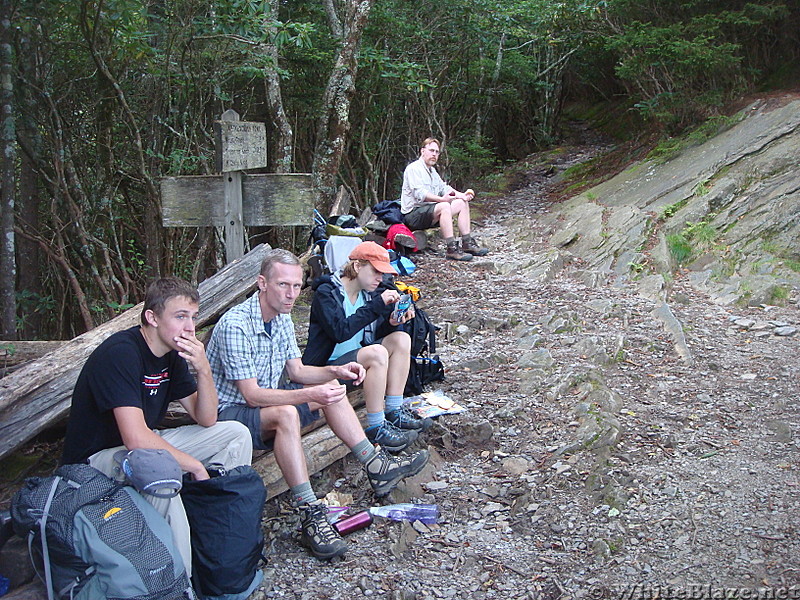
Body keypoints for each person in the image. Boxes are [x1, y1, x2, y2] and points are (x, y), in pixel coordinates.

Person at [206, 248, 429, 560]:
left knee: (330, 388)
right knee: (290, 411)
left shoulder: (281, 318)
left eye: (297, 286)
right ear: (262, 283)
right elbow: (251, 396)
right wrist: (310, 394)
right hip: (230, 417)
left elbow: (297, 371)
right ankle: (310, 512)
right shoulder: (236, 324)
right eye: (283, 285)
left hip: (265, 405)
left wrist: (334, 372)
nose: (291, 294)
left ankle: (375, 463)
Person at [61, 277, 254, 576]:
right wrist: (194, 466)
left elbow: (207, 418)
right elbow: (136, 438)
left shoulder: (172, 355)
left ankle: (214, 526)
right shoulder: (121, 353)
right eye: (180, 317)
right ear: (152, 317)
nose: (190, 327)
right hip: (93, 463)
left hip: (139, 447)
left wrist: (203, 368)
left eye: (193, 317)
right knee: (162, 478)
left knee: (235, 434)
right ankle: (184, 585)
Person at [303, 241, 432, 452]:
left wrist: (391, 323)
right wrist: (376, 306)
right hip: (327, 369)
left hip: (358, 364)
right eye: (376, 272)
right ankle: (376, 426)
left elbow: (368, 335)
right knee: (377, 352)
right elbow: (340, 331)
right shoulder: (326, 293)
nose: (381, 279)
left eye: (383, 273)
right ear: (357, 267)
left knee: (401, 339)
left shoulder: (368, 294)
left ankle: (394, 411)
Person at [400, 137, 489, 261]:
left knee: (462, 203)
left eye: (437, 152)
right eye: (431, 151)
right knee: (445, 206)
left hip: (431, 212)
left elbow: (444, 188)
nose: (434, 155)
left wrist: (461, 195)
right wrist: (442, 200)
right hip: (413, 215)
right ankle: (451, 248)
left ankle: (467, 242)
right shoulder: (414, 169)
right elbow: (420, 194)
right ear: (422, 151)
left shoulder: (432, 171)